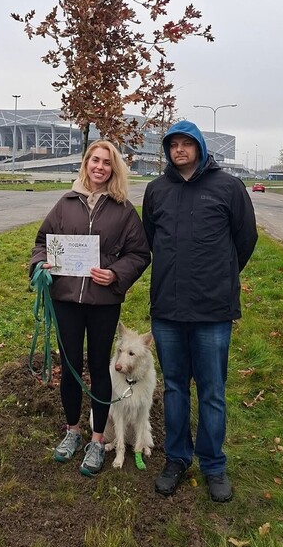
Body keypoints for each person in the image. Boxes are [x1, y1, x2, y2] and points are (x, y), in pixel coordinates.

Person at [142, 120, 257, 501]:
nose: (179, 150)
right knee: (175, 388)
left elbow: (245, 238)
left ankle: (213, 464)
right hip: (168, 309)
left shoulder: (228, 187)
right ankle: (177, 458)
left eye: (186, 144)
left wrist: (222, 275)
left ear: (200, 147)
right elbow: (150, 239)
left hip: (213, 310)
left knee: (212, 391)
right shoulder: (157, 191)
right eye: (173, 144)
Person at [30, 140, 150, 477]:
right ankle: (72, 431)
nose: (99, 166)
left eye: (106, 162)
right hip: (65, 299)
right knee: (70, 367)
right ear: (86, 163)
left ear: (114, 169)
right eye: (94, 160)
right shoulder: (66, 203)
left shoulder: (123, 210)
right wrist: (40, 265)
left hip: (103, 302)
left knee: (100, 369)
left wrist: (115, 274)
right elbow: (42, 242)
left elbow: (139, 254)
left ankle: (98, 439)